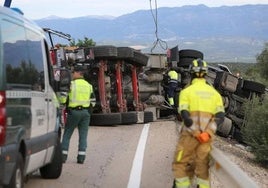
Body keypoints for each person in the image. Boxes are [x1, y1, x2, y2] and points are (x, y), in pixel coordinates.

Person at [172, 59, 225, 188]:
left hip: (188, 140)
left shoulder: (186, 92)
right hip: (205, 141)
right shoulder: (215, 95)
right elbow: (220, 117)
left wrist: (196, 133)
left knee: (182, 168)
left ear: (191, 74)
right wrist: (207, 133)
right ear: (206, 74)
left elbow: (186, 117)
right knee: (203, 173)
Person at [61, 65, 96, 164]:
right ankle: (81, 158)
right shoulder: (89, 86)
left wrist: (61, 105)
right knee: (83, 135)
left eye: (73, 72)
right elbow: (93, 101)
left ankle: (63, 156)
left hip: (73, 112)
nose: (72, 74)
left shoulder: (71, 85)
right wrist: (88, 111)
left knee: (67, 134)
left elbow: (63, 98)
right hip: (85, 113)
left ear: (77, 73)